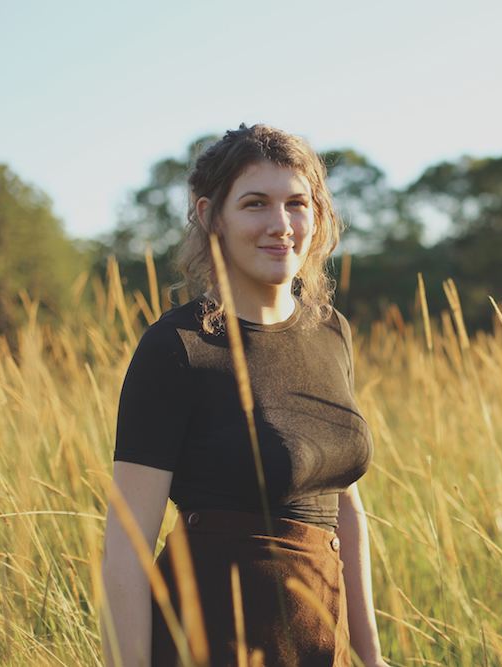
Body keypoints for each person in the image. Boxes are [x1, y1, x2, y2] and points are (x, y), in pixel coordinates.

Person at [101, 124, 387, 666]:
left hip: (317, 639)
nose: (281, 225)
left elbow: (344, 506)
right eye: (256, 203)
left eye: (297, 203)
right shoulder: (178, 347)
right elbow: (126, 548)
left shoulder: (331, 333)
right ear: (212, 216)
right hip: (210, 642)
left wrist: (370, 657)